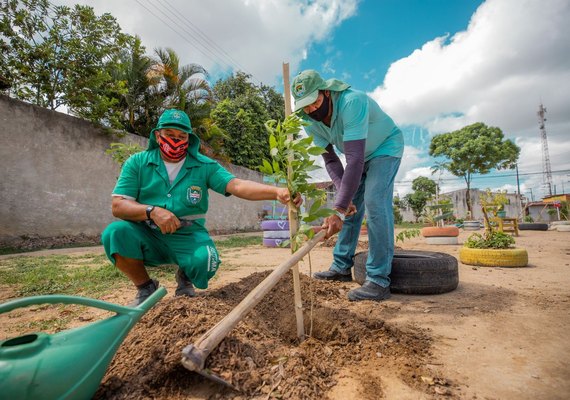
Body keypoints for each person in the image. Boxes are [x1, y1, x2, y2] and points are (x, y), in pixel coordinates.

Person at [102, 109, 298, 306]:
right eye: (170, 135)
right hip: (146, 233)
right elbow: (118, 205)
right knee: (115, 233)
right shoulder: (137, 163)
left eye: (181, 136)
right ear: (157, 135)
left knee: (207, 261)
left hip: (188, 233)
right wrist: (152, 212)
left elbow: (236, 185)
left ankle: (185, 277)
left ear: (189, 138)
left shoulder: (204, 165)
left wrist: (276, 192)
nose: (175, 141)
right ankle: (146, 288)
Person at [291, 70, 404, 302]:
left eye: (315, 102)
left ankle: (379, 280)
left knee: (374, 202)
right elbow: (331, 159)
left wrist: (338, 208)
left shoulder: (352, 102)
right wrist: (345, 201)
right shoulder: (307, 120)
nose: (311, 110)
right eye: (305, 106)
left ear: (325, 92)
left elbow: (354, 159)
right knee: (350, 207)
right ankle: (341, 266)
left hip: (384, 148)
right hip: (358, 158)